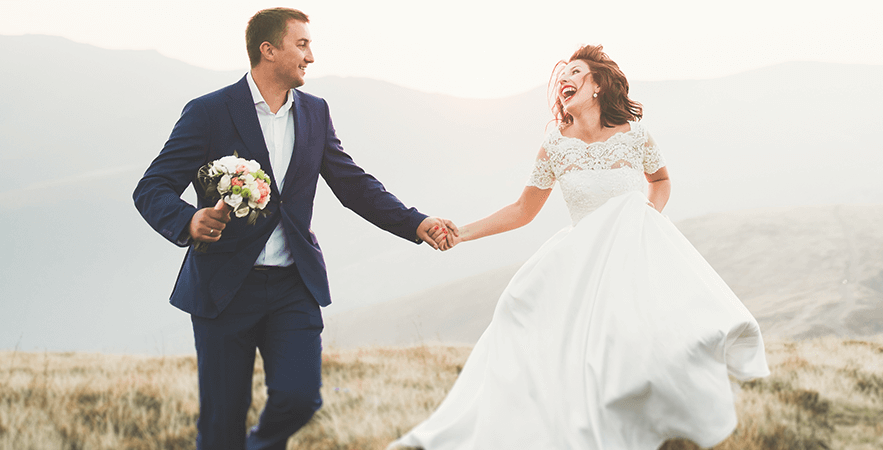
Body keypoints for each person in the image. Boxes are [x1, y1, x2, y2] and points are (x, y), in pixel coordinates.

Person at [392, 45, 769, 449]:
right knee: (519, 309)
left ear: (597, 85)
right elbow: (523, 209)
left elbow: (660, 182)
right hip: (582, 260)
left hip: (633, 252)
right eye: (561, 77)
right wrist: (462, 233)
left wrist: (647, 221)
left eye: (575, 72)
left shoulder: (634, 135)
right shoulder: (555, 145)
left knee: (652, 338)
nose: (564, 80)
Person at [131, 8, 457, 450]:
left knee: (300, 398)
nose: (311, 57)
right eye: (302, 45)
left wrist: (416, 222)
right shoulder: (209, 112)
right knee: (221, 423)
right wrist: (188, 219)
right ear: (268, 50)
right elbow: (152, 187)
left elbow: (353, 185)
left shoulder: (316, 113)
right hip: (223, 289)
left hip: (293, 285)